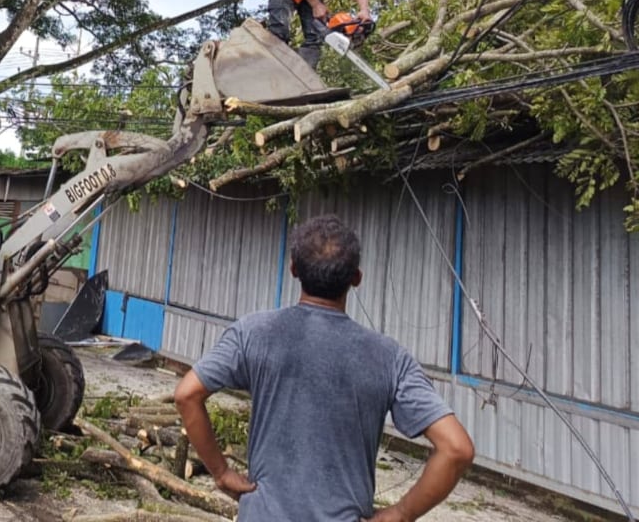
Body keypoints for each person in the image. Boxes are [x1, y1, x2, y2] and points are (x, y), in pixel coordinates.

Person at [174, 214, 475, 522]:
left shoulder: (253, 333)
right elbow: (456, 449)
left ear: (294, 269)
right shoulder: (390, 358)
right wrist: (401, 513)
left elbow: (187, 394)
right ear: (356, 278)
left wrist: (221, 472)